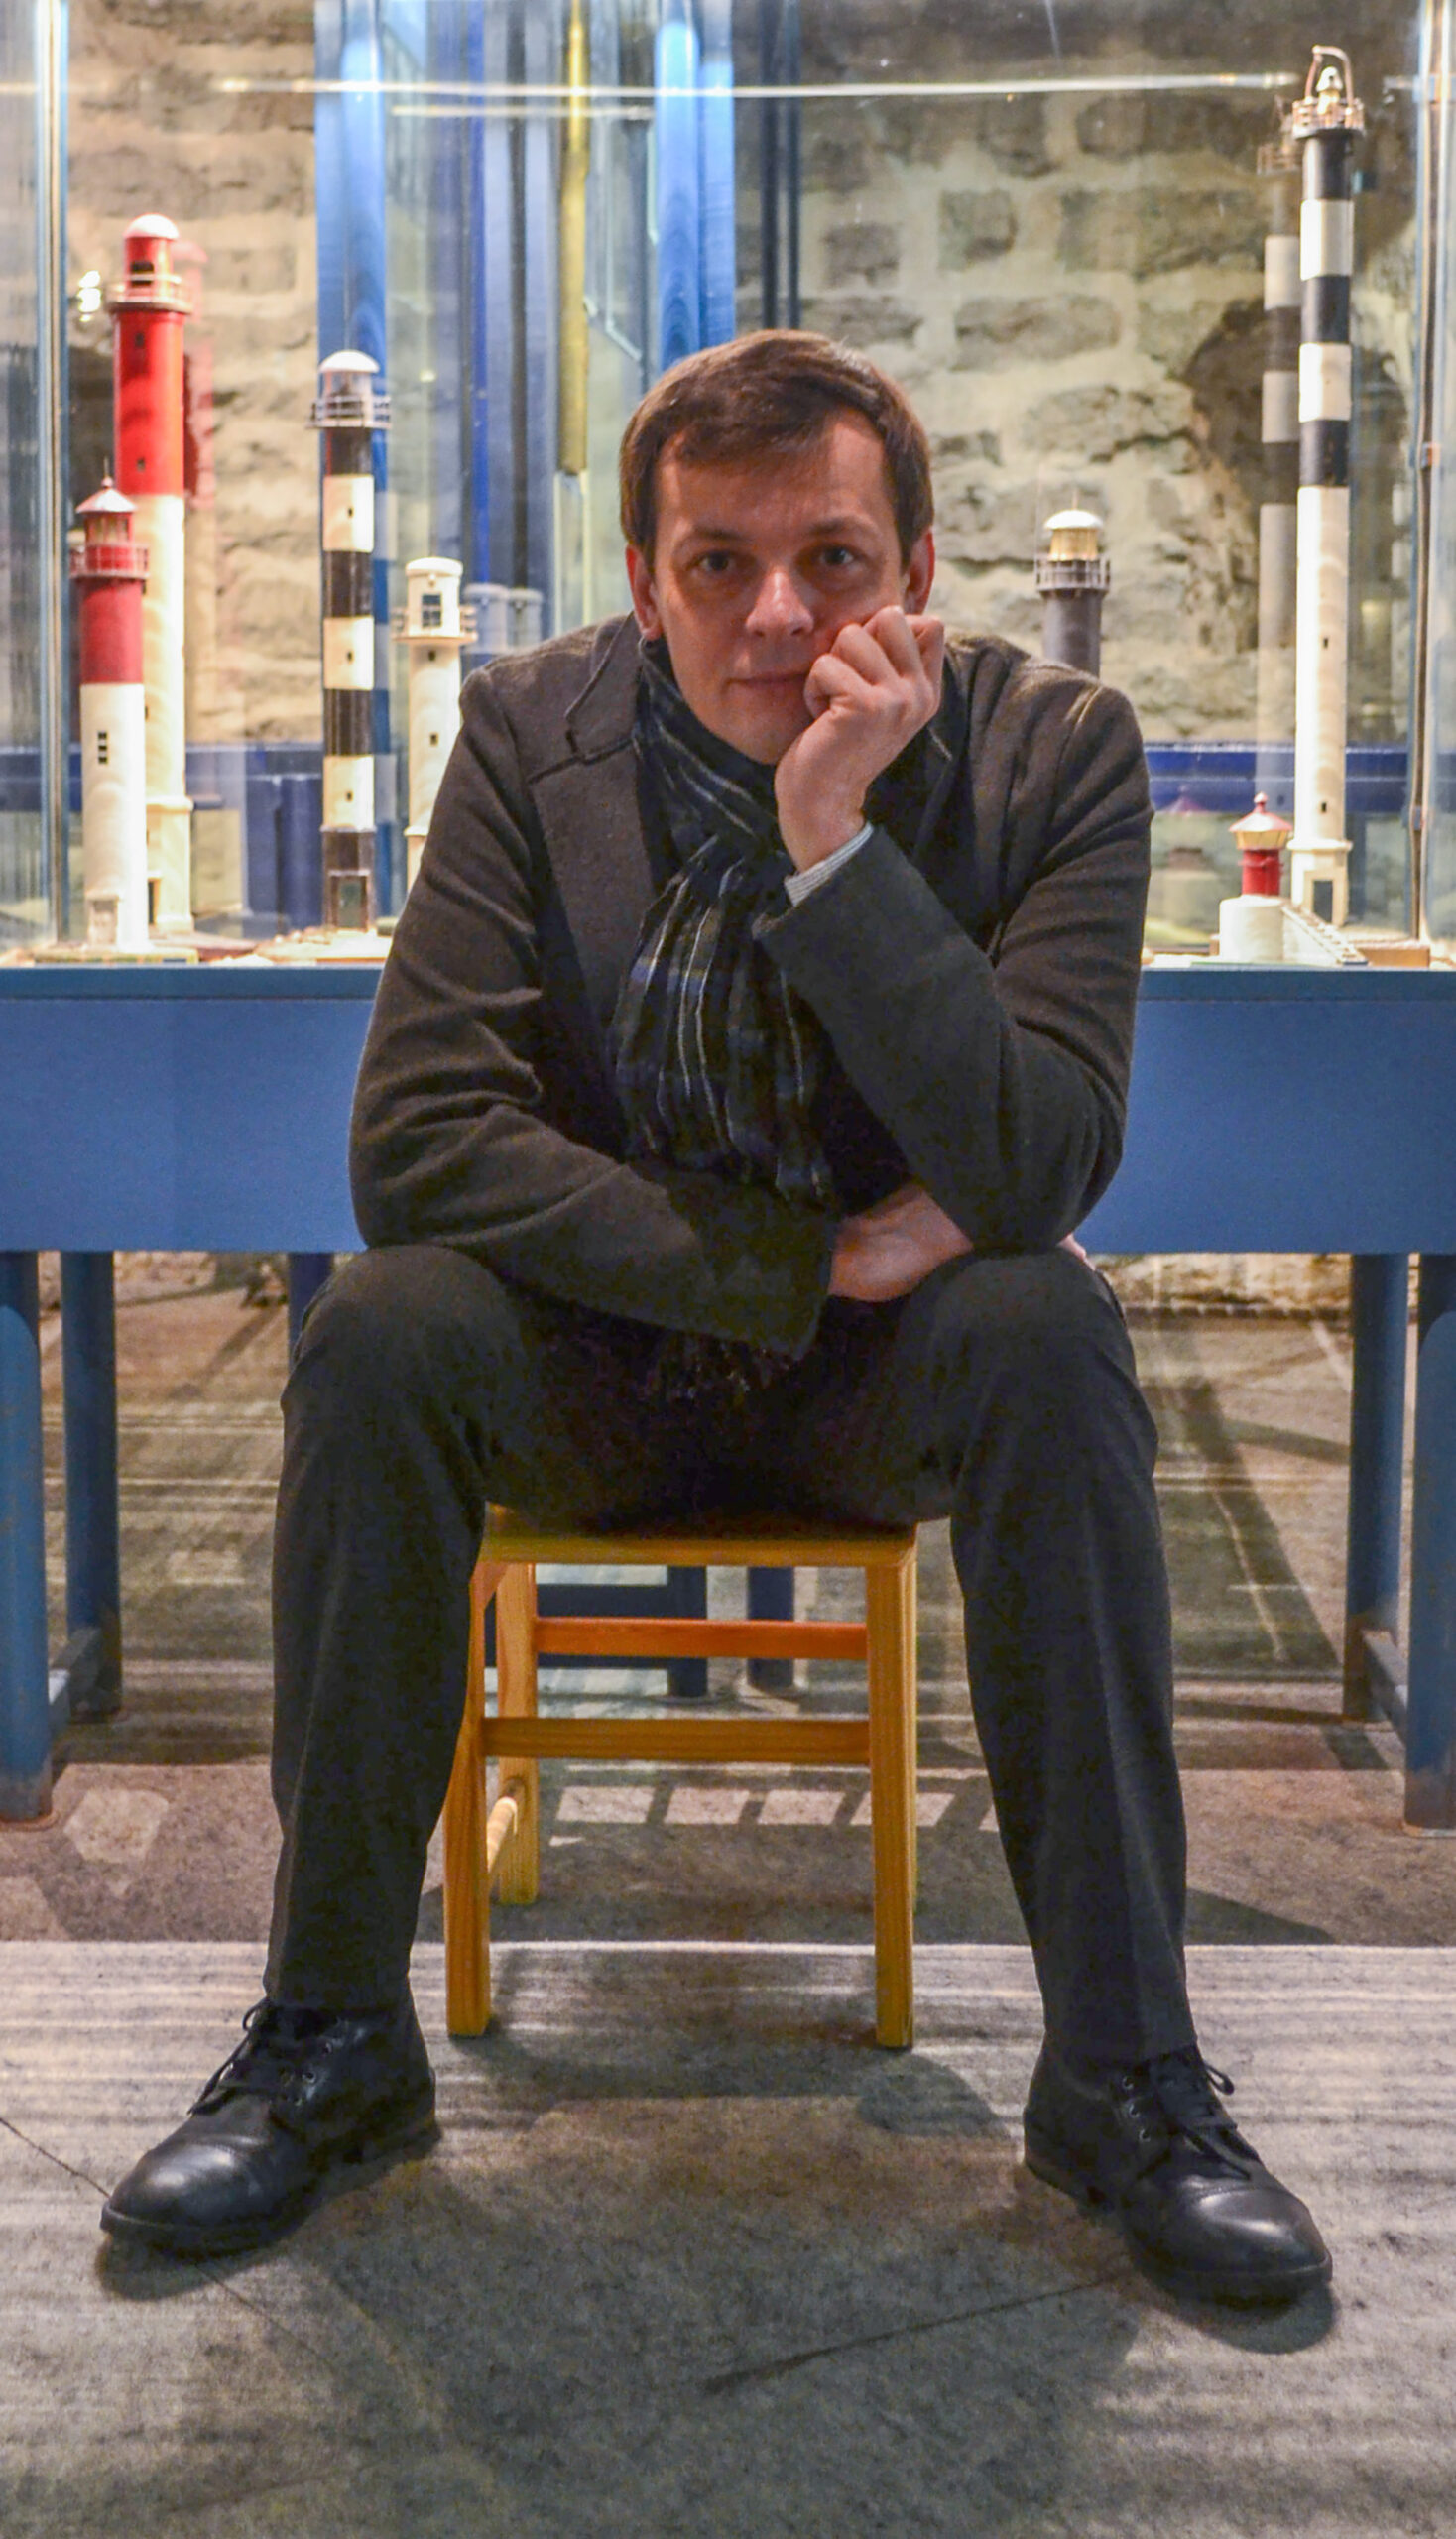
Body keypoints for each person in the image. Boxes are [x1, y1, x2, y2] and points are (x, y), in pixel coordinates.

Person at [102, 331, 1329, 2305]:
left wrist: (832, 837)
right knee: (383, 1325)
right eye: (717, 563)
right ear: (643, 578)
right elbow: (415, 1144)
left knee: (1043, 1326)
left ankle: (1124, 2078)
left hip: (881, 1393)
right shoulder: (530, 734)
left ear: (917, 570)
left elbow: (1032, 1166)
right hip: (600, 1359)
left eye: (830, 559)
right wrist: (805, 1260)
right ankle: (329, 2042)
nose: (774, 614)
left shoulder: (1050, 753)